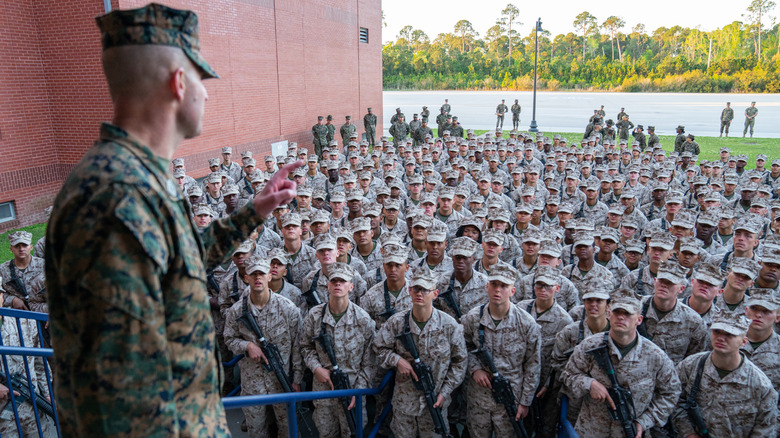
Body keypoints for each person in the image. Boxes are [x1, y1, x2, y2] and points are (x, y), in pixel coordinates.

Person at [45, 4, 302, 435]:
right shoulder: (115, 197)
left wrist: (254, 212)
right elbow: (119, 391)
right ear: (179, 83)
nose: (207, 93)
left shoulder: (143, 179)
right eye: (202, 80)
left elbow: (184, 257)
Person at [562, 292, 681, 437]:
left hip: (630, 431)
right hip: (592, 430)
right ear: (609, 315)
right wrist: (589, 383)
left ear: (639, 319)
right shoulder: (589, 346)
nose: (621, 317)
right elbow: (568, 375)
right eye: (617, 312)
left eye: (627, 313)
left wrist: (645, 421)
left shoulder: (655, 356)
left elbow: (671, 392)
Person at [373, 268, 467, 438]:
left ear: (435, 293)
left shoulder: (449, 326)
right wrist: (397, 360)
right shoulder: (397, 322)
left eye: (425, 290)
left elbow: (460, 362)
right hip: (404, 404)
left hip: (436, 404)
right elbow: (379, 348)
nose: (420, 293)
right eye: (416, 289)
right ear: (409, 291)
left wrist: (445, 393)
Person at [222, 256, 302, 437]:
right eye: (253, 274)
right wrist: (247, 345)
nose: (258, 278)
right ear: (246, 278)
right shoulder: (236, 310)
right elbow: (229, 339)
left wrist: (296, 380)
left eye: (262, 274)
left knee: (288, 429)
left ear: (269, 276)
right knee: (256, 430)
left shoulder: (288, 308)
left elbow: (297, 346)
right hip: (252, 382)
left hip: (282, 380)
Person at [462, 264, 542, 438]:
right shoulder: (473, 318)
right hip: (479, 398)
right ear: (487, 287)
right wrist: (475, 368)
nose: (498, 290)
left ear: (512, 291)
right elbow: (463, 348)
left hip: (510, 398)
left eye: (504, 286)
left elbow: (533, 365)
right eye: (494, 284)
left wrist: (524, 402)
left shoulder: (527, 324)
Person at [300, 262, 377, 437]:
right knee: (326, 433)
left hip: (353, 390)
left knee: (352, 433)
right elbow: (306, 347)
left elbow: (370, 362)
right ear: (327, 285)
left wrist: (357, 391)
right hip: (323, 389)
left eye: (342, 281)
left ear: (351, 286)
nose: (337, 284)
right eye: (334, 281)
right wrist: (316, 368)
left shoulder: (363, 320)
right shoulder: (314, 315)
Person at [672, 312, 778, 436]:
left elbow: (765, 428)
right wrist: (689, 433)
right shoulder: (690, 366)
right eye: (717, 331)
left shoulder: (760, 384)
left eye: (729, 334)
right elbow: (675, 399)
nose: (721, 338)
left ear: (744, 341)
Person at [1, 231, 45, 310]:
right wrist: (12, 300)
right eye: (17, 246)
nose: (21, 249)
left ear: (31, 247)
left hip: (43, 312)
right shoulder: (3, 270)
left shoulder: (44, 265)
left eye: (25, 245)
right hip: (17, 315)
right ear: (11, 249)